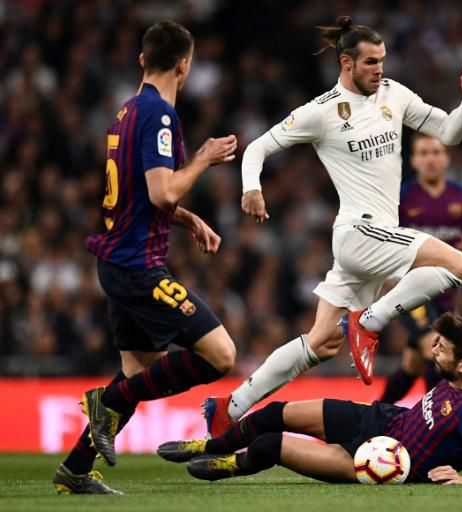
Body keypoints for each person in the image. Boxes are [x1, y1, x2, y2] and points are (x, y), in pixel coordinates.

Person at [203, 16, 462, 436]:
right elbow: (257, 147)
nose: (379, 69)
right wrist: (251, 188)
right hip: (359, 231)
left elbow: (448, 131)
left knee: (321, 342)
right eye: (371, 62)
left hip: (374, 240)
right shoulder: (321, 112)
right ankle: (369, 322)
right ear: (346, 62)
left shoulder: (394, 95)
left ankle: (229, 407)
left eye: (382, 60)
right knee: (457, 263)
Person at [52, 21, 239, 495]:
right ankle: (106, 401)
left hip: (117, 261)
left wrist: (188, 219)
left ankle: (75, 469)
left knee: (140, 372)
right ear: (184, 66)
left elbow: (138, 197)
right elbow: (161, 192)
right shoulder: (159, 116)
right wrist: (203, 159)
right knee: (221, 355)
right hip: (138, 267)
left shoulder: (125, 113)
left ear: (142, 60)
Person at [158, 313, 462, 485]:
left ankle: (231, 465)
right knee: (275, 413)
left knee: (269, 445)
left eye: (443, 348)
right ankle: (210, 445)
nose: (433, 349)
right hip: (383, 420)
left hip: (381, 461)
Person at [381, 133, 462, 403]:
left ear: (446, 158)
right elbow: (382, 238)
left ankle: (376, 412)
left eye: (436, 152)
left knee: (412, 364)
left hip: (447, 293)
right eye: (424, 153)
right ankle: (436, 416)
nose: (430, 159)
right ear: (413, 160)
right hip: (411, 291)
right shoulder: (401, 197)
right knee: (436, 349)